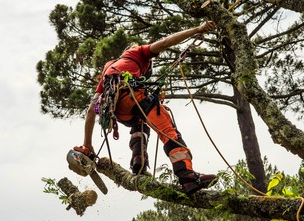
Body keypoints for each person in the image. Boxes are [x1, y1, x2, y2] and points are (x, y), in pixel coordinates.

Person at [82, 21, 217, 195]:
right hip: (132, 96)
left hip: (119, 112)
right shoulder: (137, 52)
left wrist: (87, 143)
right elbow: (166, 42)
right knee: (168, 131)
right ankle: (187, 177)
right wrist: (197, 29)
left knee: (141, 122)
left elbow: (92, 108)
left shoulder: (109, 69)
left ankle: (138, 160)